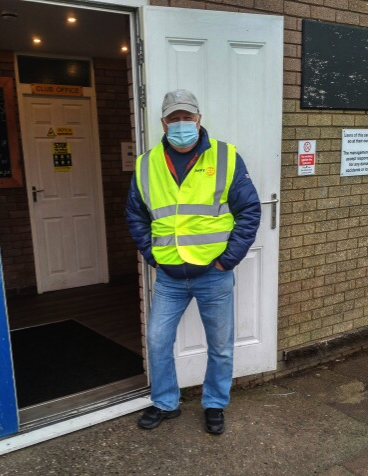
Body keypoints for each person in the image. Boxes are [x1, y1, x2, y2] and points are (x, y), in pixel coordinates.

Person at [126, 89, 261, 434]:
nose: (181, 124)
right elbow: (135, 215)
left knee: (220, 346)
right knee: (157, 341)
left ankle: (215, 404)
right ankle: (165, 402)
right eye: (174, 118)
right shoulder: (146, 163)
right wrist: (152, 254)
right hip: (170, 276)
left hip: (212, 274)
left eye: (187, 117)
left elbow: (249, 211)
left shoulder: (227, 157)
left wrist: (227, 260)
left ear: (199, 119)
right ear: (163, 122)